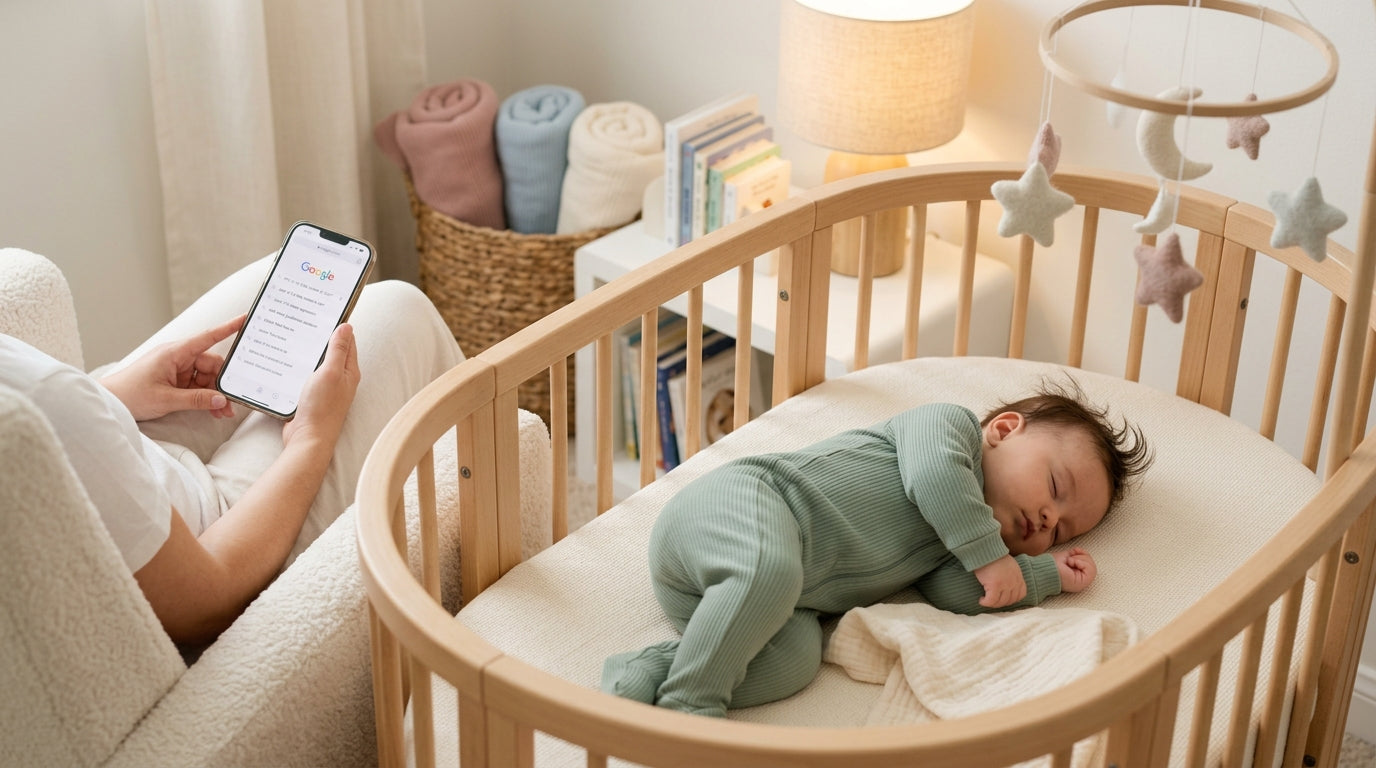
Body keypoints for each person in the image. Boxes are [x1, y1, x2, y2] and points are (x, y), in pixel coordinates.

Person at [600, 380, 1153, 718]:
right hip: (741, 508)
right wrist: (993, 555)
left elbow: (959, 593)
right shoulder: (948, 428)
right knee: (769, 569)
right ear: (1005, 430)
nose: (1049, 519)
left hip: (734, 605)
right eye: (1055, 489)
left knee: (797, 660)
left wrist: (1041, 575)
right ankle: (690, 704)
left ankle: (654, 669)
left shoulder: (957, 548)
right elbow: (935, 480)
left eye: (1062, 530)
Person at [0, 255, 463, 646]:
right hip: (208, 531)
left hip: (113, 442)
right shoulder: (48, 406)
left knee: (294, 281)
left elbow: (56, 424)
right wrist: (311, 439)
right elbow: (199, 604)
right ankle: (503, 585)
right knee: (400, 308)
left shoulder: (57, 406)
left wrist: (106, 396)